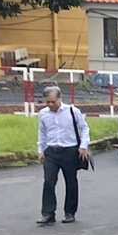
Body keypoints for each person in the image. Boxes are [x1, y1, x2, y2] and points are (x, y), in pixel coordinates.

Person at [36, 83, 91, 225]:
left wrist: (83, 146)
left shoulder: (72, 111)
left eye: (53, 102)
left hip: (70, 151)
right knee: (49, 181)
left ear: (60, 98)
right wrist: (41, 150)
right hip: (51, 152)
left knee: (71, 182)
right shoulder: (43, 114)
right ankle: (48, 214)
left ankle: (70, 212)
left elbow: (84, 128)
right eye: (47, 102)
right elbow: (42, 132)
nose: (50, 104)